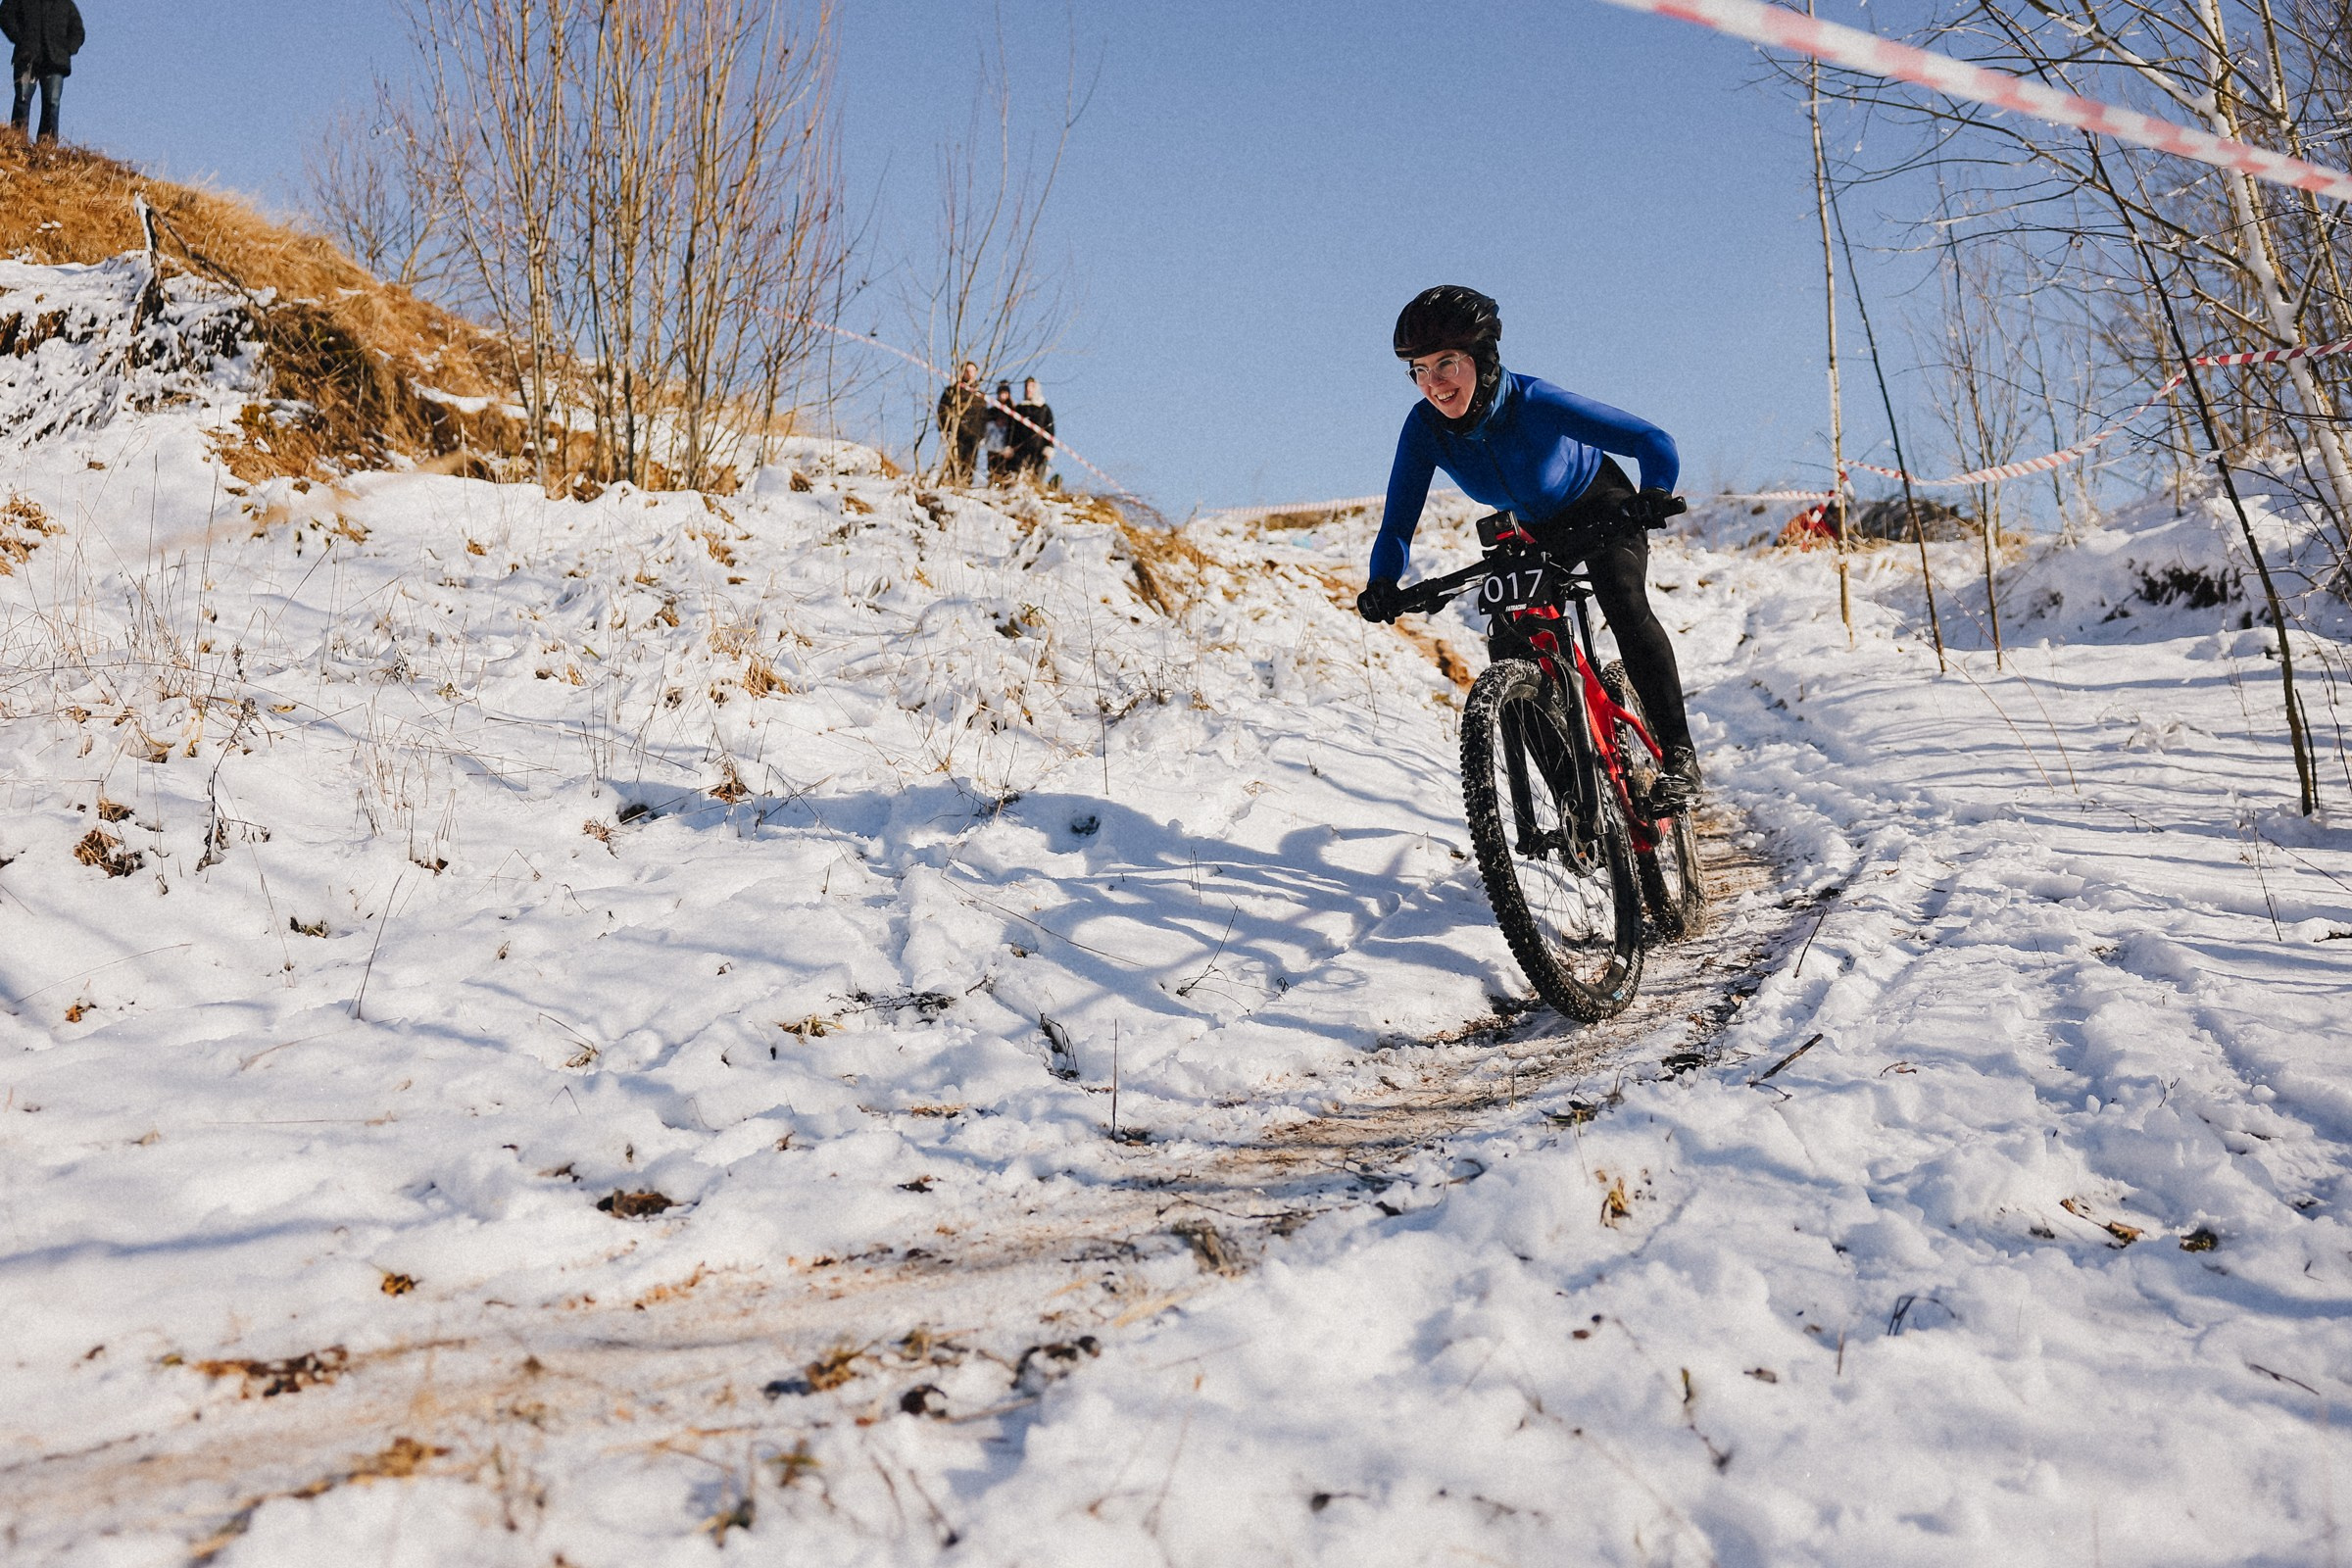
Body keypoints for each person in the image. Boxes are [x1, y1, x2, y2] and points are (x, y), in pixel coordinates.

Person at [1356, 284, 1703, 812]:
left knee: (1624, 601)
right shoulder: (1424, 428)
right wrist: (1383, 582)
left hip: (1604, 505)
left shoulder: (1534, 401)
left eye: (1445, 363)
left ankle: (1679, 757)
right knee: (1511, 641)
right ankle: (1577, 804)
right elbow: (1398, 522)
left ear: (1482, 357)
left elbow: (1651, 440)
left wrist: (1653, 492)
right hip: (1534, 529)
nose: (1433, 384)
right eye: (1420, 370)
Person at [1, 0, 81, 145]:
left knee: (52, 102)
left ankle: (47, 144)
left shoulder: (65, 3)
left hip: (55, 60)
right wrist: (20, 40)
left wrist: (67, 49)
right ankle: (17, 140)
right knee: (22, 98)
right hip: (27, 56)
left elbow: (78, 30)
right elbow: (5, 15)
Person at [935, 361, 989, 485]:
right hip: (956, 432)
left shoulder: (980, 396)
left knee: (970, 462)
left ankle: (966, 484)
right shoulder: (953, 391)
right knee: (954, 460)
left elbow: (984, 416)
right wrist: (945, 429)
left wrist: (981, 435)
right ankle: (951, 483)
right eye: (967, 371)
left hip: (973, 435)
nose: (969, 374)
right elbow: (942, 410)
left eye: (972, 371)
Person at [1007, 376, 1055, 483]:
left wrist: (1049, 447)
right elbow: (1012, 429)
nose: (1028, 389)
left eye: (1032, 386)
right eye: (1026, 386)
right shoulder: (1019, 408)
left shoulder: (1044, 408)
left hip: (1038, 450)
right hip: (1020, 450)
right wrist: (1009, 446)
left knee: (1036, 478)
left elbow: (1050, 429)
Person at [983, 379, 1018, 486]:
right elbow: (986, 423)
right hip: (992, 445)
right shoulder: (992, 410)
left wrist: (1011, 445)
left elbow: (1014, 428)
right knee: (992, 468)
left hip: (1006, 445)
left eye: (1005, 393)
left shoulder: (1013, 411)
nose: (1003, 396)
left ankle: (1004, 486)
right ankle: (992, 484)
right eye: (1001, 393)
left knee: (1005, 469)